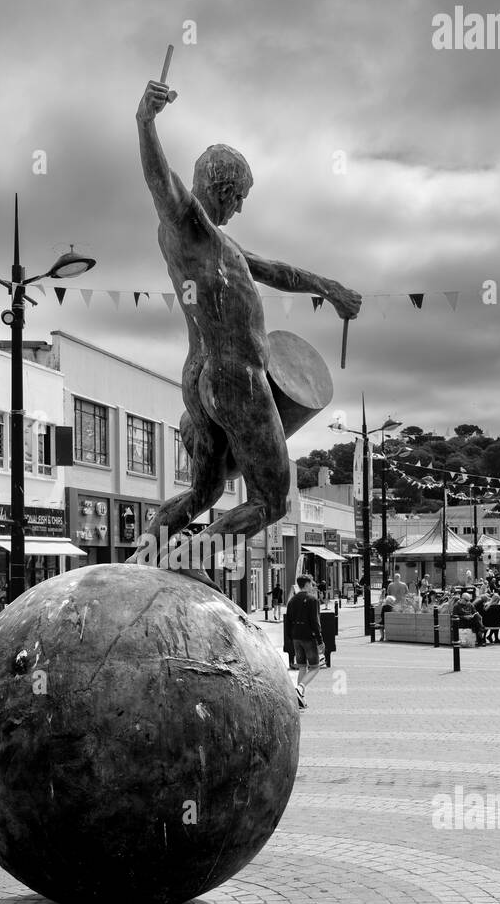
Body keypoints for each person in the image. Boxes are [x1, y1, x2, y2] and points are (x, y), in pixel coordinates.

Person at [127, 73, 360, 576]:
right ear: (223, 188)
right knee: (272, 501)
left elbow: (278, 271)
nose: (241, 206)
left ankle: (141, 563)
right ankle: (189, 560)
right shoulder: (187, 225)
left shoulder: (216, 243)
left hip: (199, 378)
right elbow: (159, 183)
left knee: (204, 491)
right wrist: (145, 121)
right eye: (240, 196)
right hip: (236, 377)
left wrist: (331, 290)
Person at [285, 575, 323, 709]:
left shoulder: (292, 601)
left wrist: (289, 639)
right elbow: (315, 622)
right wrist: (320, 641)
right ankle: (300, 688)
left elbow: (287, 621)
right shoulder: (313, 600)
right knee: (315, 667)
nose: (313, 587)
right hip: (308, 636)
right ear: (306, 585)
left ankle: (300, 699)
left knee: (302, 666)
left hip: (296, 637)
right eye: (312, 584)